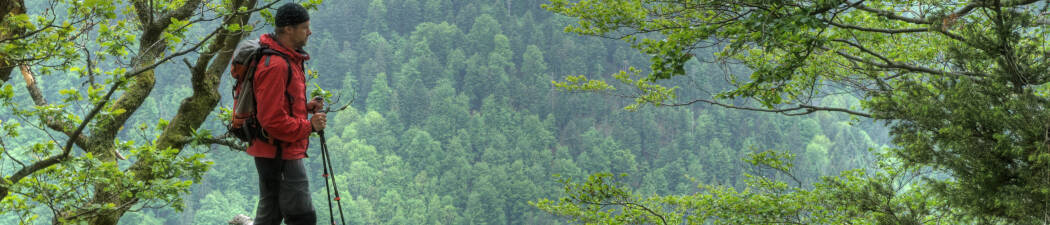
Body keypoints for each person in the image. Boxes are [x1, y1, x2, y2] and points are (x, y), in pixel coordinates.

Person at [247, 3, 324, 225]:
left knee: (270, 215)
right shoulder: (277, 65)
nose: (309, 32)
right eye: (305, 27)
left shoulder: (286, 57)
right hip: (281, 152)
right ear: (288, 29)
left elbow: (278, 105)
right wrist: (310, 126)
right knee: (302, 218)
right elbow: (272, 120)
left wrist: (304, 108)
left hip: (272, 150)